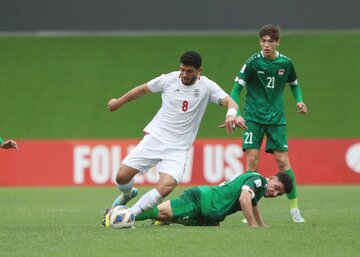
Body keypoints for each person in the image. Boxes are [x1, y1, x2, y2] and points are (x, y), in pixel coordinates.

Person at [107, 51, 238, 216]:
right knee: (121, 177)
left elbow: (230, 101)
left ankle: (128, 215)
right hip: (156, 138)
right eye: (182, 70)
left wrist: (230, 115)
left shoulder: (207, 86)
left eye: (189, 71)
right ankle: (127, 194)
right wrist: (118, 102)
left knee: (166, 186)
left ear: (199, 71)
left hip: (178, 148)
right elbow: (142, 90)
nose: (184, 74)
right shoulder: (169, 79)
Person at [229, 24, 307, 222]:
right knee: (252, 161)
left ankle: (294, 210)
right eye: (263, 41)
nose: (266, 45)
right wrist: (235, 113)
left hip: (276, 119)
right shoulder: (252, 63)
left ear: (277, 42)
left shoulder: (286, 63)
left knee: (283, 162)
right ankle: (251, 209)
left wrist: (299, 100)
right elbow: (236, 90)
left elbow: (295, 85)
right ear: (260, 42)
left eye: (270, 41)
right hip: (253, 118)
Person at [103, 171, 292, 228]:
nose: (275, 193)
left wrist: (262, 224)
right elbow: (244, 199)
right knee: (160, 211)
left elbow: (253, 202)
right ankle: (116, 216)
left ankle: (161, 220)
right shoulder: (258, 180)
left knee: (212, 224)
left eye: (279, 193)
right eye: (277, 188)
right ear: (272, 178)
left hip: (209, 211)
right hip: (202, 199)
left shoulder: (258, 188)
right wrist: (253, 226)